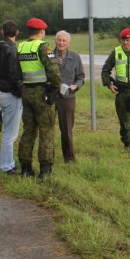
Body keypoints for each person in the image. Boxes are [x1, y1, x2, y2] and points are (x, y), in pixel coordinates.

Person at [17, 18, 62, 179]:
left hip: (26, 92)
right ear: (42, 31)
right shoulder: (43, 47)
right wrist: (56, 88)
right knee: (46, 130)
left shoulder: (21, 47)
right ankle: (45, 170)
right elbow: (53, 70)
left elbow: (17, 71)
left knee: (28, 130)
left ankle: (25, 168)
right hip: (42, 94)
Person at [0, 20, 23, 175]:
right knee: (11, 133)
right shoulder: (12, 50)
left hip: (1, 92)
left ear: (3, 32)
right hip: (11, 94)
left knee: (9, 131)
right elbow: (13, 74)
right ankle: (6, 165)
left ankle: (9, 162)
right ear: (17, 33)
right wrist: (20, 91)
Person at [53, 30, 85, 163]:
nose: (61, 43)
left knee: (66, 129)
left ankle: (69, 158)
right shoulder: (48, 56)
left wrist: (76, 86)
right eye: (59, 40)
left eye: (64, 40)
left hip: (67, 98)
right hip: (50, 96)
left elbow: (81, 77)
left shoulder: (75, 57)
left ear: (69, 42)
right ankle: (48, 157)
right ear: (55, 41)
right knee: (47, 128)